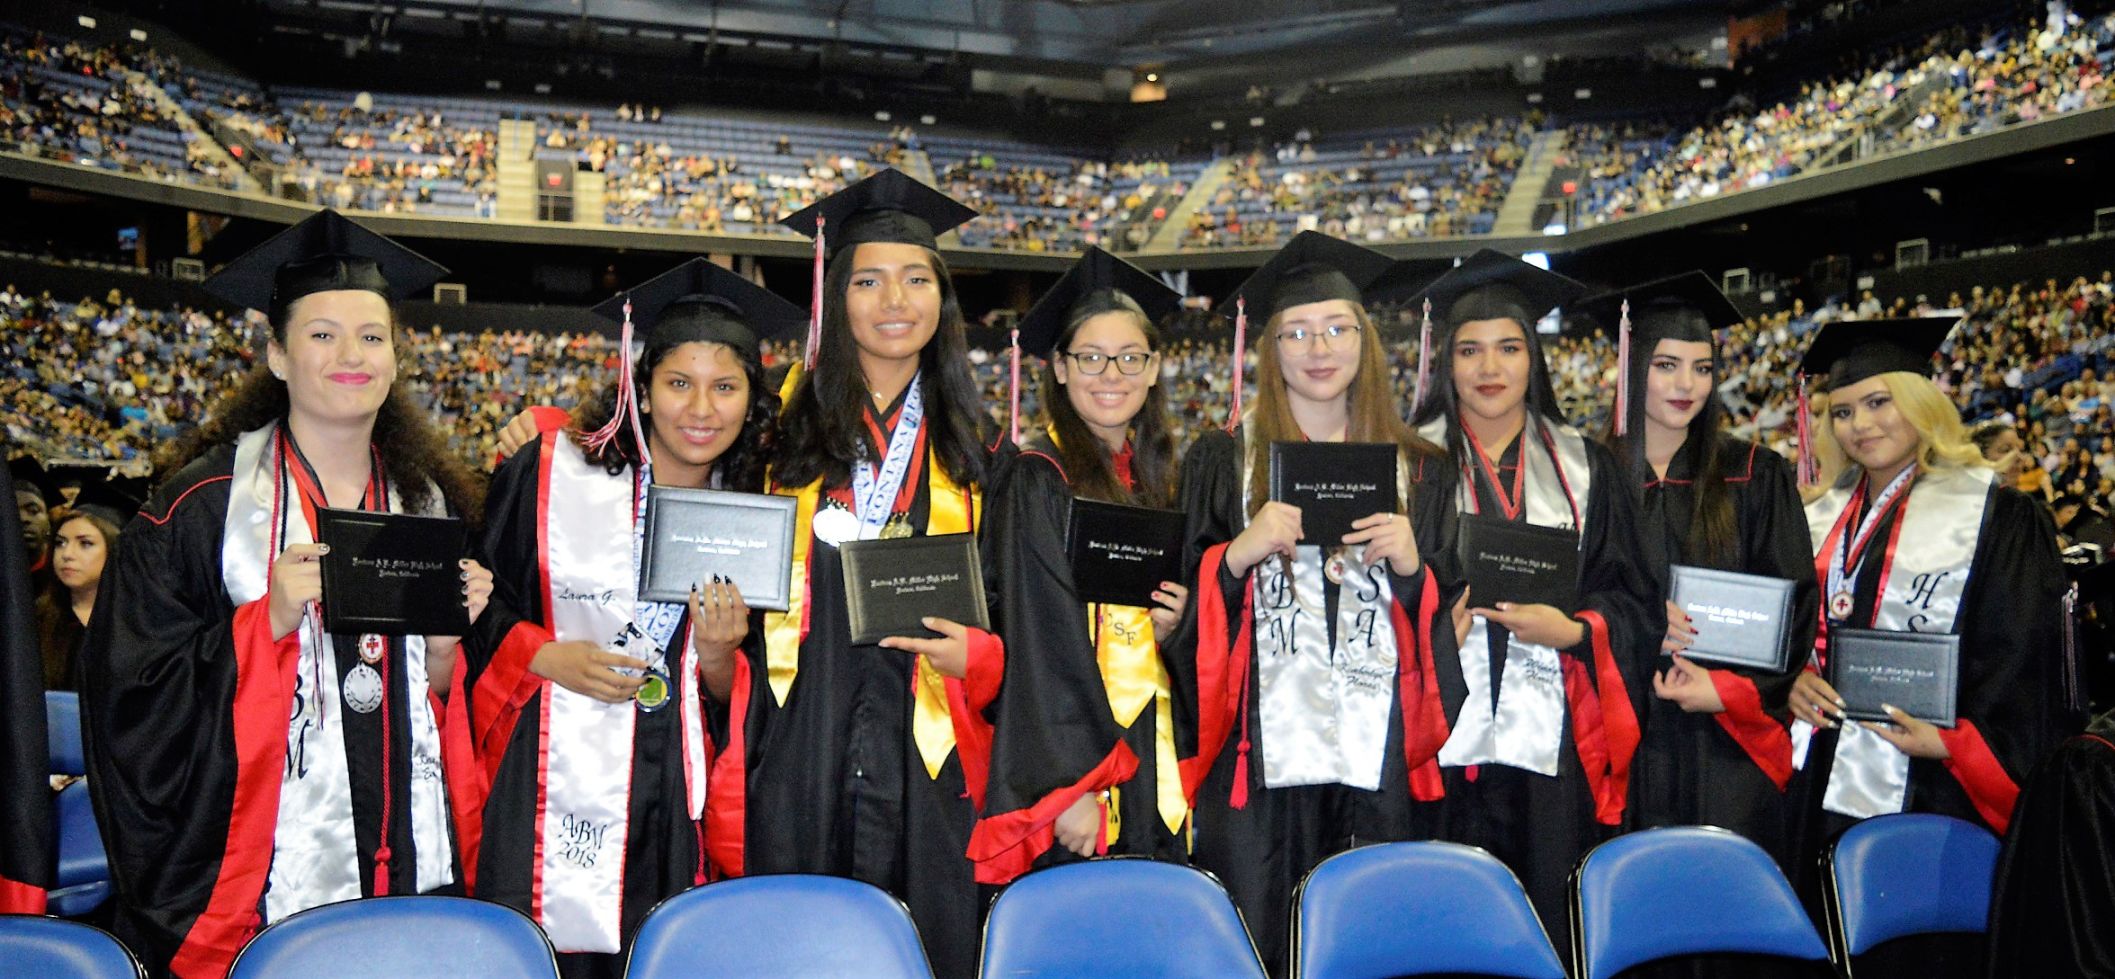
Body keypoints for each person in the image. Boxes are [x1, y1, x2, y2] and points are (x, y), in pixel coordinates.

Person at [734, 170, 1128, 978]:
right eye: (869, 279)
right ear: (835, 297)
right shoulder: (777, 449)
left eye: (917, 279)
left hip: (933, 770)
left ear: (941, 302)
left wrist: (978, 660)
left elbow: (1038, 640)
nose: (893, 299)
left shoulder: (991, 464)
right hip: (802, 757)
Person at [80, 210, 493, 978]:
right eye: (321, 334)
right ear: (275, 353)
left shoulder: (425, 504)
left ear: (396, 358)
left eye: (372, 337)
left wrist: (444, 648)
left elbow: (431, 705)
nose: (351, 355)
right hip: (261, 884)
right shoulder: (198, 509)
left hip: (405, 858)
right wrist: (258, 623)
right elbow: (127, 699)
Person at [466, 259, 803, 976]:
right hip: (546, 773)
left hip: (673, 792)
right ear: (641, 391)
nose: (700, 409)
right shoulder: (550, 472)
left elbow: (750, 693)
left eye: (725, 386)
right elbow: (475, 604)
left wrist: (718, 656)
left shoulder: (759, 517)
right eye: (678, 383)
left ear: (752, 400)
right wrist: (544, 654)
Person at [1178, 231, 1446, 974]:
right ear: (1269, 349)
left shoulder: (1421, 473)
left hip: (1379, 754)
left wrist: (1414, 569)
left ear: (1364, 339)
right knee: (1259, 933)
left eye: (1335, 327)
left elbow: (1451, 619)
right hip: (1257, 757)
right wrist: (1232, 555)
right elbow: (1178, 619)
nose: (1316, 347)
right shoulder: (1222, 459)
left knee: (1373, 932)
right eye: (1294, 331)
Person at [1785, 318, 2072, 974]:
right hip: (1823, 778)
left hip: (1935, 781)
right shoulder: (1816, 514)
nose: (1860, 424)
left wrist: (1955, 741)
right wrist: (1793, 674)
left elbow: (2020, 657)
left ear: (1920, 401)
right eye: (1843, 411)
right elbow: (1794, 625)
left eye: (1878, 402)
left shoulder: (1995, 514)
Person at [1402, 248, 1655, 954]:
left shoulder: (1586, 464)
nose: (1489, 368)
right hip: (1442, 736)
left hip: (1556, 743)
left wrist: (1577, 629)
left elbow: (1634, 595)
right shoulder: (1408, 462)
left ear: (1532, 359)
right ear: (1444, 363)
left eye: (1508, 348)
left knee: (1547, 916)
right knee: (1445, 927)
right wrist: (1425, 627)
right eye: (1470, 350)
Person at [1581, 272, 1816, 869]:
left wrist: (1729, 689)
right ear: (1631, 369)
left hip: (1728, 739)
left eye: (1703, 368)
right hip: (1622, 729)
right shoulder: (1586, 474)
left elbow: (1793, 605)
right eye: (1667, 365)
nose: (1688, 385)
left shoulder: (1754, 474)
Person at [998, 246, 1191, 867]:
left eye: (1131, 357)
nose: (1113, 374)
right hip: (1081, 761)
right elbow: (1036, 643)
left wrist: (1176, 622)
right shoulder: (1036, 478)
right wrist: (1070, 786)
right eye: (1091, 357)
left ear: (1155, 367)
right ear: (1058, 368)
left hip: (1151, 739)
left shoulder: (1161, 478)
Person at [33, 484, 134, 692]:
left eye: (85, 544)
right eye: (60, 543)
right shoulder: (36, 620)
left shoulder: (139, 624)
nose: (67, 554)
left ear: (115, 551)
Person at [10, 456, 54, 597]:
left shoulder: (63, 580)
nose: (23, 519)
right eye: (11, 511)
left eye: (33, 511)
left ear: (48, 521)